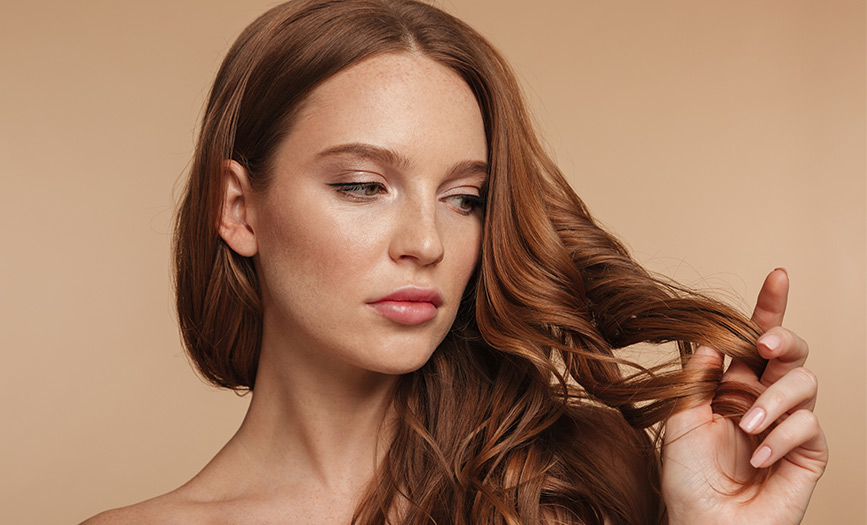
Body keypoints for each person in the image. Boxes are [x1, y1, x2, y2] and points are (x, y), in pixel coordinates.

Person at [84, 0, 827, 523]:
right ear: (239, 209)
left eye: (464, 198)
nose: (427, 242)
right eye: (362, 186)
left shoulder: (581, 481)